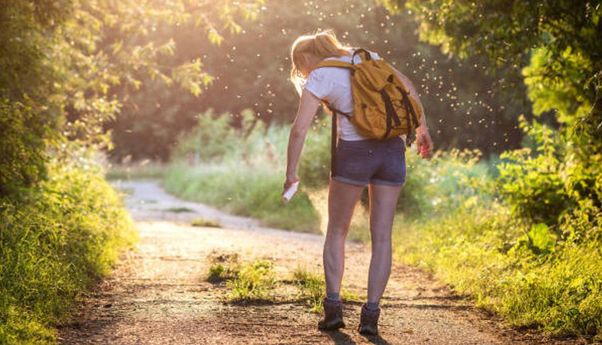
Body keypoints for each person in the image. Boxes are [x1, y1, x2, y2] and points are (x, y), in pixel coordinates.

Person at [283, 30, 433, 336]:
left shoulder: (321, 75)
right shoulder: (368, 58)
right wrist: (422, 130)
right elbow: (408, 87)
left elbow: (299, 130)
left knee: (337, 230)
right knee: (382, 237)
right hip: (392, 150)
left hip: (354, 153)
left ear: (305, 59)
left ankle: (334, 310)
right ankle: (370, 317)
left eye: (301, 67)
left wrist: (291, 173)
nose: (303, 73)